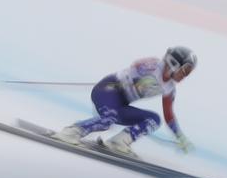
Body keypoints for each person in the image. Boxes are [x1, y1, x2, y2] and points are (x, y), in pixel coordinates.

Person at [53, 46, 197, 158]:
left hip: (121, 104)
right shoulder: (154, 65)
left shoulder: (170, 88)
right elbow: (136, 65)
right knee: (108, 120)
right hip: (108, 89)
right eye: (185, 70)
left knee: (154, 119)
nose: (185, 75)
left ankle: (119, 142)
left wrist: (180, 136)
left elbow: (168, 114)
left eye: (188, 72)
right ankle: (71, 132)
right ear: (174, 64)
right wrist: (139, 80)